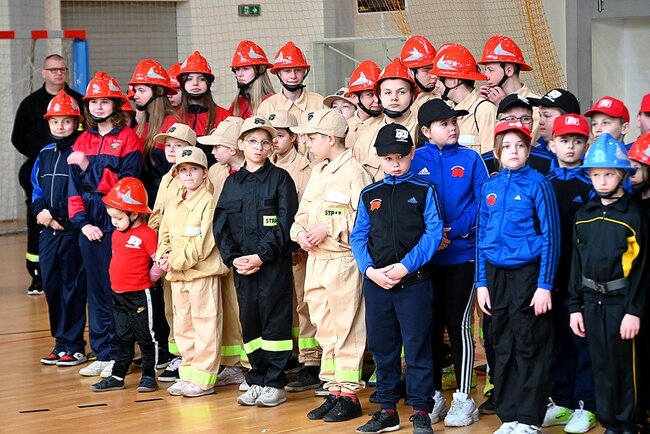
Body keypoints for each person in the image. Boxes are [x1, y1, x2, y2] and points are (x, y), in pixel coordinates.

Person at [351, 123, 443, 434]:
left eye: (401, 157)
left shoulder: (425, 190)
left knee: (417, 348)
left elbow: (433, 234)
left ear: (412, 154)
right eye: (388, 158)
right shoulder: (369, 194)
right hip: (377, 284)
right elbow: (358, 236)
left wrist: (405, 266)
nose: (395, 163)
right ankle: (387, 410)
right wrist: (370, 271)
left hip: (414, 282)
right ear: (378, 158)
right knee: (382, 349)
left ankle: (421, 411)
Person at [476, 120, 560, 434]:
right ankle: (509, 416)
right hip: (495, 275)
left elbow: (551, 237)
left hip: (528, 273)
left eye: (520, 146)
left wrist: (544, 285)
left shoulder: (539, 184)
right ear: (497, 151)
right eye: (507, 146)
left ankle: (528, 418)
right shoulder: (490, 188)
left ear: (528, 150)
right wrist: (481, 283)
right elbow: (481, 237)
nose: (514, 151)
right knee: (502, 344)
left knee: (530, 344)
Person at [411, 99, 490, 427]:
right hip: (428, 258)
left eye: (454, 121)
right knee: (428, 327)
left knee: (459, 326)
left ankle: (463, 397)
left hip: (462, 255)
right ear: (427, 131)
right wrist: (433, 236)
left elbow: (483, 201)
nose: (453, 127)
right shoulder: (414, 159)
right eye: (444, 124)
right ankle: (432, 396)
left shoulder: (471, 159)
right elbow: (409, 202)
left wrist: (453, 231)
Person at [290, 109, 372, 422]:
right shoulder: (319, 172)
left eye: (312, 137)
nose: (307, 143)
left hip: (342, 261)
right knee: (324, 328)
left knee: (347, 328)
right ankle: (334, 388)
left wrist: (329, 228)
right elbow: (301, 216)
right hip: (316, 261)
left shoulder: (354, 172)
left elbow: (365, 218)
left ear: (330, 138)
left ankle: (349, 394)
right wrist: (300, 235)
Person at [214, 115, 298, 407]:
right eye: (252, 141)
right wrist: (234, 259)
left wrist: (261, 255)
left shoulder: (280, 179)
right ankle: (257, 379)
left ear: (272, 147)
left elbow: (286, 223)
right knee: (250, 323)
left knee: (275, 322)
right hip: (243, 268)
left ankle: (275, 383)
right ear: (240, 144)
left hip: (273, 266)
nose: (259, 147)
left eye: (265, 142)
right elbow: (221, 226)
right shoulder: (232, 183)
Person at [567, 133, 648, 434]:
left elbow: (642, 269)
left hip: (621, 304)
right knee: (600, 365)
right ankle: (610, 422)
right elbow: (576, 265)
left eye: (609, 174)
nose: (602, 181)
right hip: (591, 302)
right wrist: (574, 307)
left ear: (622, 175)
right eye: (596, 174)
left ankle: (629, 423)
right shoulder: (583, 215)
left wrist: (634, 311)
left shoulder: (634, 216)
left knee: (625, 368)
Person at [68, 71, 143, 378]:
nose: (99, 107)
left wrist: (90, 169)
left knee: (118, 290)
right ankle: (103, 352)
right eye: (94, 102)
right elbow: (73, 189)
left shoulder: (129, 139)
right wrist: (82, 223)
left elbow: (127, 185)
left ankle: (121, 355)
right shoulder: (82, 140)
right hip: (90, 224)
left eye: (104, 101)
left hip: (118, 221)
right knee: (96, 290)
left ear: (115, 104)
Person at [157, 146, 228, 397]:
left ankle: (204, 379)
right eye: (183, 170)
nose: (188, 174)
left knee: (205, 325)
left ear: (204, 173)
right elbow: (164, 232)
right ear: (176, 174)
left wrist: (174, 260)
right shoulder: (174, 202)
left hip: (201, 274)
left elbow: (204, 243)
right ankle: (187, 374)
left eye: (194, 169)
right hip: (177, 275)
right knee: (183, 326)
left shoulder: (209, 203)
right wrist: (163, 255)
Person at [11, 53, 84, 295]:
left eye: (62, 69)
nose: (58, 73)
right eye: (53, 69)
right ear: (44, 73)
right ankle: (37, 275)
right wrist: (42, 155)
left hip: (71, 171)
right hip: (41, 170)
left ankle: (73, 275)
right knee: (38, 220)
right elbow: (17, 138)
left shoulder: (78, 101)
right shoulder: (30, 103)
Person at [543, 114, 597, 433]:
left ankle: (586, 405)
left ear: (585, 146)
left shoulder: (591, 184)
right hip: (551, 277)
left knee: (582, 341)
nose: (571, 147)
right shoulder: (544, 184)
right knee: (556, 341)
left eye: (578, 141)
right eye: (564, 140)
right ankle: (562, 402)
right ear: (552, 145)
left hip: (581, 278)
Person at [90, 177, 163, 393]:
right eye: (111, 217)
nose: (114, 222)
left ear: (134, 214)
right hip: (118, 295)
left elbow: (160, 262)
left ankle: (148, 376)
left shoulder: (147, 235)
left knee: (145, 337)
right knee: (123, 337)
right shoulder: (116, 234)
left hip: (139, 295)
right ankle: (117, 376)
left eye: (118, 218)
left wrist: (151, 278)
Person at [31, 90, 86, 366]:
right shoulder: (44, 154)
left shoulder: (80, 151)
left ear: (76, 122)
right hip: (48, 232)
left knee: (72, 287)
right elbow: (36, 188)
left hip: (71, 231)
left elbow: (81, 189)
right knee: (52, 287)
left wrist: (55, 214)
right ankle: (60, 342)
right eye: (55, 121)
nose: (60, 126)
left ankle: (75, 345)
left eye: (66, 121)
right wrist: (41, 211)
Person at [267, 110, 321, 392]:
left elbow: (309, 209)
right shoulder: (265, 166)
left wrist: (298, 243)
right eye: (271, 136)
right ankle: (290, 355)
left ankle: (311, 361)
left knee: (304, 303)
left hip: (299, 249)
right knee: (281, 304)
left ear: (293, 138)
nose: (274, 141)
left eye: (280, 135)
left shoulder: (306, 169)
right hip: (274, 249)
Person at [196, 117, 248, 389]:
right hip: (221, 250)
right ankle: (233, 364)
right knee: (228, 309)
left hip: (247, 252)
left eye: (217, 146)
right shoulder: (216, 171)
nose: (213, 152)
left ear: (233, 148)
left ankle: (251, 365)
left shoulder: (252, 171)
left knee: (246, 310)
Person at [147, 122, 198, 382]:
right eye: (168, 145)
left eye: (178, 145)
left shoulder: (198, 180)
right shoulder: (168, 177)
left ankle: (196, 358)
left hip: (188, 256)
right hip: (167, 254)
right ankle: (178, 354)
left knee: (193, 311)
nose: (170, 149)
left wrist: (176, 253)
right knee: (172, 307)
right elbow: (158, 216)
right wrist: (157, 249)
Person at [354, 58, 419, 181]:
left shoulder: (424, 132)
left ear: (412, 95)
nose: (394, 98)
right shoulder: (366, 138)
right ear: (379, 96)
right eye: (388, 93)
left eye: (401, 92)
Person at [256, 41, 325, 155]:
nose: (293, 76)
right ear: (278, 73)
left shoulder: (319, 102)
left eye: (298, 70)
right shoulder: (267, 107)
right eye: (287, 71)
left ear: (304, 72)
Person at [430, 43, 496, 153]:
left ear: (454, 81)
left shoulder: (485, 111)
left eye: (439, 80)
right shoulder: (446, 109)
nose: (436, 85)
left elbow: (490, 159)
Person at [477, 35, 541, 137]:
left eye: (490, 70)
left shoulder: (536, 107)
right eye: (486, 70)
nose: (486, 76)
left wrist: (504, 106)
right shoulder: (488, 103)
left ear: (509, 71)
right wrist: (480, 105)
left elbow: (522, 142)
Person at [176, 51, 232, 165]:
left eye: (201, 79)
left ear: (209, 83)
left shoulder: (225, 117)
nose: (195, 83)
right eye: (189, 79)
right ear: (182, 83)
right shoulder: (173, 117)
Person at [482, 94, 555, 177]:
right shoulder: (484, 162)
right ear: (497, 124)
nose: (518, 123)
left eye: (525, 118)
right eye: (510, 119)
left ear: (532, 124)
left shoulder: (547, 161)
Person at [229, 40, 275, 119]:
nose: (239, 74)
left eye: (246, 69)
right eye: (237, 69)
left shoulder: (272, 103)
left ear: (259, 71)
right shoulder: (237, 104)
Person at [344, 60, 383, 150]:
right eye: (370, 94)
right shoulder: (344, 127)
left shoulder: (389, 125)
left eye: (379, 93)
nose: (377, 100)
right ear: (354, 98)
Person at [400, 35, 441, 115]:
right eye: (427, 70)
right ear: (411, 72)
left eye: (434, 70)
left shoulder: (442, 100)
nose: (435, 76)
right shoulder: (394, 101)